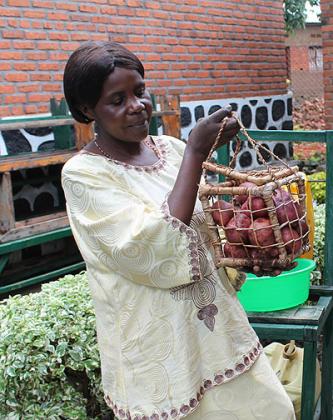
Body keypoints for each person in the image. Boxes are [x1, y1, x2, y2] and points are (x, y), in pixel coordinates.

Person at [61, 41, 295, 420]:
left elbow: (203, 231)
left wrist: (248, 251)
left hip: (218, 335)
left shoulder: (170, 149)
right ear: (89, 110)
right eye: (116, 100)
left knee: (273, 411)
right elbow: (149, 245)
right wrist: (196, 154)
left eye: (139, 91)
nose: (136, 106)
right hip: (158, 349)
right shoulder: (84, 174)